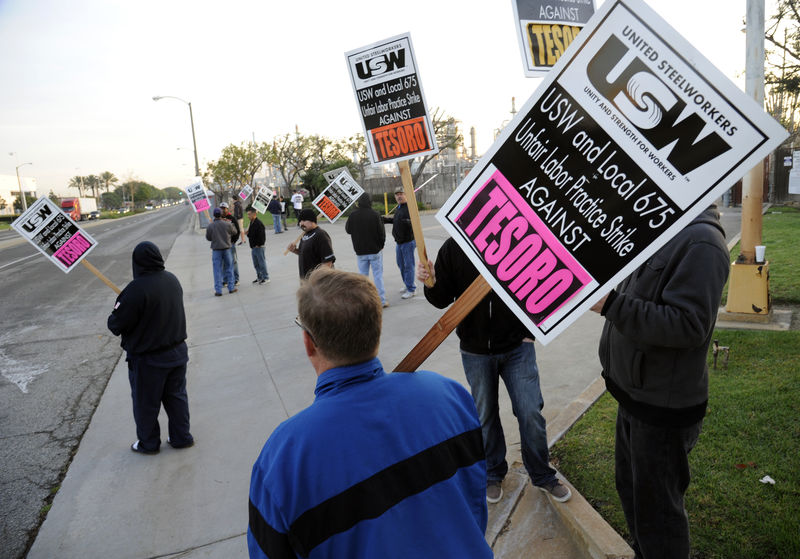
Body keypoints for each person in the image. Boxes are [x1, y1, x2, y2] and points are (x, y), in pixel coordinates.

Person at [247, 267, 492, 559]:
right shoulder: (451, 396)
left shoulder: (283, 458)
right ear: (377, 328)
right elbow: (473, 505)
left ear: (309, 342)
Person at [590, 205, 729, 559]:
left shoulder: (702, 242)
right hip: (633, 396)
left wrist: (611, 304)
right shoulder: (659, 227)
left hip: (662, 410)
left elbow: (687, 325)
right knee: (633, 493)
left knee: (659, 516)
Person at [417, 238, 571, 504]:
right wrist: (429, 281)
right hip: (475, 351)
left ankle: (542, 474)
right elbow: (441, 299)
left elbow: (543, 285)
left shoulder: (521, 240)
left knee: (530, 411)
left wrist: (530, 332)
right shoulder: (454, 247)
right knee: (485, 415)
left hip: (517, 348)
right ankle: (492, 473)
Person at [107, 241, 193, 454]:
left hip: (149, 360)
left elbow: (115, 325)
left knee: (146, 404)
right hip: (177, 353)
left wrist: (118, 309)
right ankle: (181, 437)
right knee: (176, 398)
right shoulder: (172, 280)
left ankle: (148, 443)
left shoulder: (135, 290)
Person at [345, 192, 387, 307]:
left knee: (363, 277)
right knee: (378, 275)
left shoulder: (353, 215)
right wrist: (381, 244)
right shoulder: (375, 214)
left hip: (360, 251)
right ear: (370, 202)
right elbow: (381, 232)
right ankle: (382, 301)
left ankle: (364, 301)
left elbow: (348, 230)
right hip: (375, 250)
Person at [382, 189, 416, 299]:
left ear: (406, 195)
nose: (399, 196)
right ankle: (407, 284)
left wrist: (408, 222)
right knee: (401, 265)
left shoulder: (409, 208)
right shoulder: (399, 208)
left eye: (401, 194)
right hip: (399, 242)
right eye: (397, 195)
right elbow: (395, 221)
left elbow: (413, 223)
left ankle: (411, 289)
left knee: (408, 266)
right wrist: (383, 219)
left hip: (408, 242)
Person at [286, 209, 335, 279]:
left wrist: (317, 279)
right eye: (300, 221)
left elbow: (328, 261)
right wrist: (294, 250)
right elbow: (306, 253)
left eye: (304, 220)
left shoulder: (321, 235)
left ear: (312, 220)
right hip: (306, 279)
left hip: (318, 282)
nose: (301, 223)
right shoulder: (305, 234)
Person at [206, 207, 238, 296]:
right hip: (227, 248)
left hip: (216, 250)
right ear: (221, 214)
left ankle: (218, 290)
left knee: (217, 270)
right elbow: (235, 232)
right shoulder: (227, 224)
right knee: (229, 268)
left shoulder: (211, 226)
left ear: (213, 215)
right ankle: (231, 288)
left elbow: (208, 238)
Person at [245, 206, 270, 284]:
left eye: (249, 214)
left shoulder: (258, 223)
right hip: (253, 247)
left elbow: (262, 236)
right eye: (248, 214)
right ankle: (259, 277)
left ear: (254, 214)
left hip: (259, 247)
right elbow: (252, 235)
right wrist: (247, 233)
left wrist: (259, 244)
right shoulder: (251, 223)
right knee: (256, 264)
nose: (248, 216)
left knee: (261, 263)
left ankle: (266, 277)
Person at [220, 202, 240, 286]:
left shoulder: (232, 218)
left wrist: (233, 241)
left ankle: (236, 279)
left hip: (231, 244)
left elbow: (237, 231)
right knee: (224, 262)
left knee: (233, 261)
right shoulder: (218, 219)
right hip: (222, 245)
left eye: (224, 208)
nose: (223, 210)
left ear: (227, 209)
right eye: (221, 208)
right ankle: (225, 280)